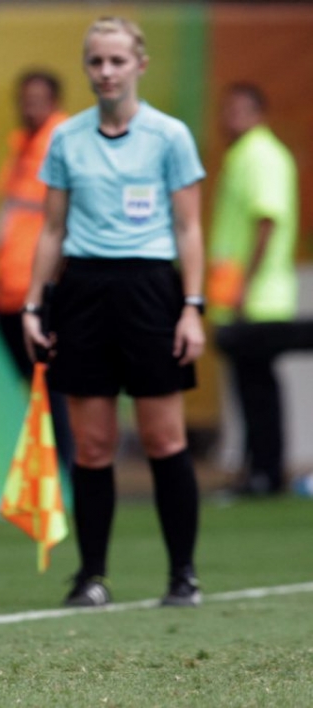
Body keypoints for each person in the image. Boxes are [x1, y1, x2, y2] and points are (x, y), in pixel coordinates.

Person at [22, 17, 206, 608]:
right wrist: (33, 304)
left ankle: (183, 575)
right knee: (94, 445)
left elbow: (189, 226)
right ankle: (92, 576)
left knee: (163, 439)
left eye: (117, 61)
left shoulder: (171, 136)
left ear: (140, 65)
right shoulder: (67, 139)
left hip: (152, 289)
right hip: (84, 292)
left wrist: (192, 308)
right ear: (87, 67)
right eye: (96, 61)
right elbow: (50, 228)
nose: (106, 72)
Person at [207, 83, 300, 497]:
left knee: (257, 386)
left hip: (259, 295)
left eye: (240, 111)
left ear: (258, 114)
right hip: (240, 293)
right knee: (252, 383)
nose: (231, 119)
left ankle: (264, 473)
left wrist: (245, 284)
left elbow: (267, 220)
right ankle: (261, 471)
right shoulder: (242, 155)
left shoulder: (261, 155)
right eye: (227, 110)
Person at [0, 69, 73, 472]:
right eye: (25, 98)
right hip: (12, 284)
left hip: (39, 286)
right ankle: (38, 468)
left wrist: (54, 281)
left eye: (38, 98)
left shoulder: (63, 142)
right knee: (28, 382)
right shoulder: (23, 144)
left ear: (54, 101)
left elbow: (69, 217)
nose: (29, 106)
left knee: (49, 382)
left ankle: (62, 469)